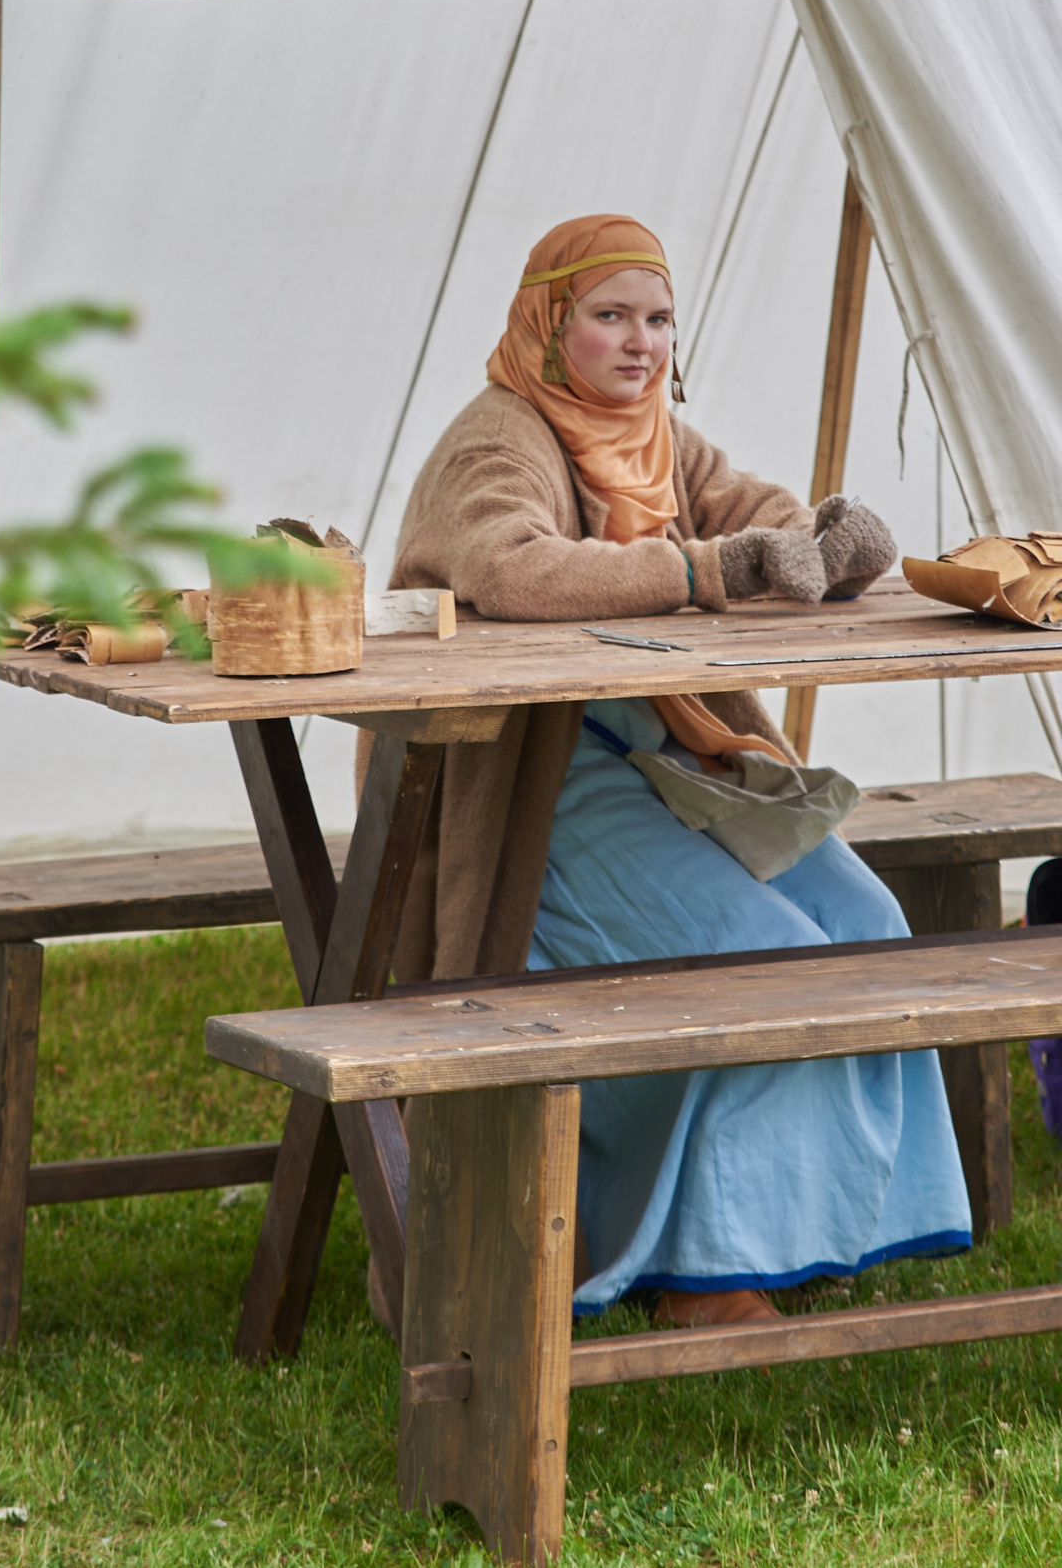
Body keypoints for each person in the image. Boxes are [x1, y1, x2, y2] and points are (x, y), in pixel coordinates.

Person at [384, 214, 972, 1327]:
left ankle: (815, 1226)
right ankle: (700, 1272)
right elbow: (516, 570)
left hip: (666, 759)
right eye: (609, 316)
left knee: (867, 923)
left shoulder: (654, 433)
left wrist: (819, 537)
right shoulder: (497, 439)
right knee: (764, 962)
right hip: (526, 796)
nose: (639, 342)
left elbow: (749, 513)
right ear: (548, 324)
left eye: (657, 319)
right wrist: (710, 566)